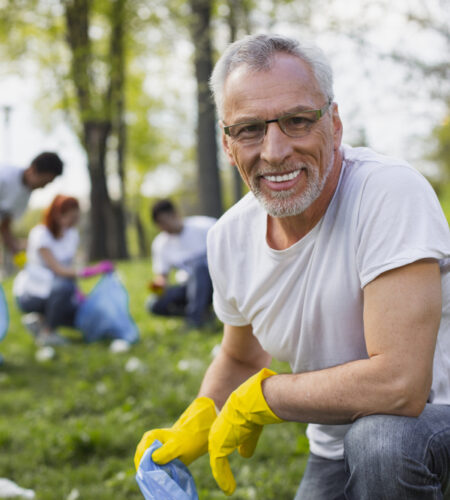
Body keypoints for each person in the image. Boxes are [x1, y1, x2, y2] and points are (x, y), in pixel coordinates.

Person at [135, 34, 450, 499]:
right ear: (227, 144)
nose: (275, 150)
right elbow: (242, 356)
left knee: (381, 440)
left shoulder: (387, 192)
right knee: (366, 441)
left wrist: (266, 398)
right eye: (249, 129)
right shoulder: (228, 238)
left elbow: (400, 386)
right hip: (333, 446)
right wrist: (200, 417)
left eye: (298, 121)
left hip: (429, 421)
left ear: (335, 124)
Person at [13, 194, 111, 346]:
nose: (74, 222)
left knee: (78, 315)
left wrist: (78, 294)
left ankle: (38, 321)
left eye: (76, 218)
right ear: (57, 214)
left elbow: (69, 267)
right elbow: (58, 270)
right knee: (65, 286)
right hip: (32, 293)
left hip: (57, 292)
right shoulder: (41, 234)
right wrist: (90, 271)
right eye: (71, 218)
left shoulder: (71, 234)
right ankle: (48, 333)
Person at [146, 199, 216, 329]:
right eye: (159, 224)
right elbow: (162, 276)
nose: (163, 227)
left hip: (215, 282)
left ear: (175, 214)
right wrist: (159, 285)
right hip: (189, 286)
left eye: (164, 221)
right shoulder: (161, 244)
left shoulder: (205, 226)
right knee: (153, 304)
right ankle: (203, 314)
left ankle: (195, 320)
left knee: (199, 267)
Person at [0, 152, 63, 255]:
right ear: (33, 170)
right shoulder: (4, 176)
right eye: (44, 181)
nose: (43, 187)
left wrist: (16, 251)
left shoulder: (25, 195)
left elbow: (4, 225)